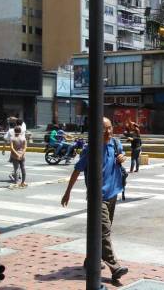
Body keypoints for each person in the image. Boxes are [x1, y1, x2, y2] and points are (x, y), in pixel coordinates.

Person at [60, 117, 128, 281]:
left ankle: (92, 259)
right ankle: (115, 266)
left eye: (110, 127)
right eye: (104, 129)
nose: (108, 131)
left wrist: (122, 157)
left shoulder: (115, 143)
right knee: (104, 231)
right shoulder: (91, 149)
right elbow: (77, 170)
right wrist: (68, 191)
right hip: (97, 197)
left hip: (112, 194)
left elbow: (121, 155)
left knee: (103, 229)